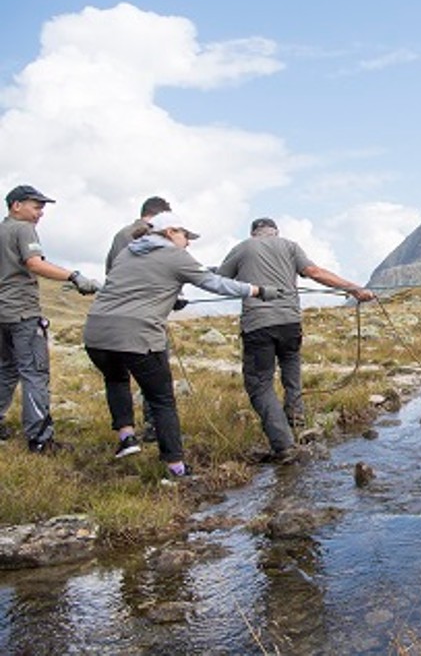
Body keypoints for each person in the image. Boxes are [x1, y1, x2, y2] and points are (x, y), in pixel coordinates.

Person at [83, 211, 278, 478]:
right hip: (137, 335)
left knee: (116, 379)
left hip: (96, 333)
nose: (189, 242)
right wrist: (257, 291)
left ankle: (126, 437)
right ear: (170, 232)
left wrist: (171, 297)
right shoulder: (175, 255)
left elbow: (136, 286)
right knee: (162, 400)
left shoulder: (128, 251)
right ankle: (176, 468)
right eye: (186, 236)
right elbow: (214, 283)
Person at [217, 217, 375, 460]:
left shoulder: (242, 248)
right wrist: (353, 288)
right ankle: (296, 418)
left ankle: (284, 444)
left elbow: (220, 280)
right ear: (275, 232)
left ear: (253, 233)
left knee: (260, 384)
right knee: (291, 368)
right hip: (290, 323)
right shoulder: (290, 246)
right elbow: (314, 272)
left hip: (258, 325)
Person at [0, 185, 102, 452]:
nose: (40, 213)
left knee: (7, 371)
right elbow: (34, 263)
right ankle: (40, 439)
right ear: (16, 205)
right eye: (36, 206)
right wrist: (74, 276)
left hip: (2, 314)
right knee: (34, 373)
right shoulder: (22, 229)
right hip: (22, 313)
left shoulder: (1, 230)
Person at [106, 195, 173, 443]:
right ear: (159, 216)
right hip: (146, 318)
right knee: (155, 374)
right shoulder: (156, 236)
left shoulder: (120, 236)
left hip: (114, 318)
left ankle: (127, 434)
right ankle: (155, 428)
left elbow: (111, 272)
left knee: (118, 376)